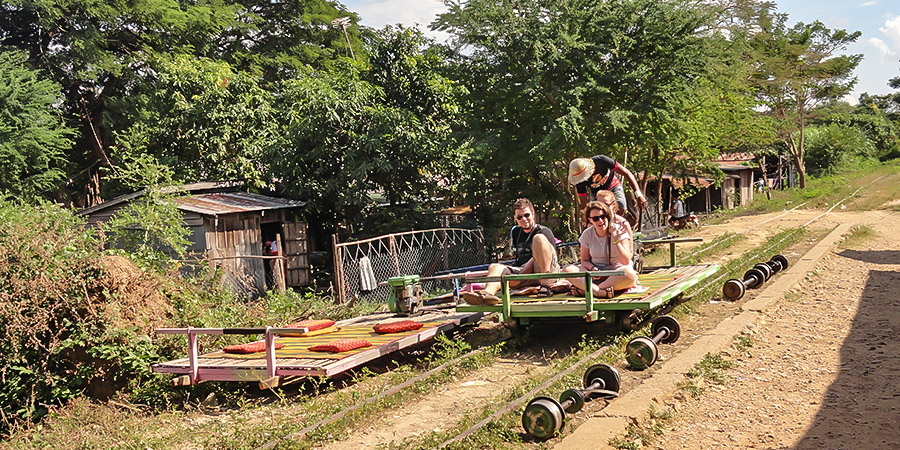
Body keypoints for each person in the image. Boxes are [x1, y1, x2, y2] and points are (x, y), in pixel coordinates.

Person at [462, 198, 561, 305]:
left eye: (527, 215)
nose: (524, 219)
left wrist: (522, 274)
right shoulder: (516, 232)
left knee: (538, 238)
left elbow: (551, 258)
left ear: (533, 214)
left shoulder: (543, 231)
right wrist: (516, 274)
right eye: (519, 217)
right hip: (524, 274)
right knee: (494, 267)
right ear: (515, 218)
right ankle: (487, 295)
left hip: (545, 272)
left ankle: (545, 286)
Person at [562, 201, 638, 298]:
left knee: (630, 274)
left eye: (603, 217)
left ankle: (589, 290)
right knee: (567, 269)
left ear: (608, 216)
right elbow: (584, 260)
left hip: (617, 273)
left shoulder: (619, 230)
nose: (601, 221)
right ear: (590, 220)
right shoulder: (587, 234)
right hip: (596, 274)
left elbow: (625, 261)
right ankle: (598, 292)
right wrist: (593, 269)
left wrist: (616, 241)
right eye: (596, 218)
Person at [568, 155, 648, 214]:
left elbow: (627, 173)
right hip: (597, 194)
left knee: (620, 209)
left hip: (613, 185)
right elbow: (584, 202)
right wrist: (587, 217)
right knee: (600, 214)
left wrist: (638, 195)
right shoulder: (580, 181)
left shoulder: (601, 160)